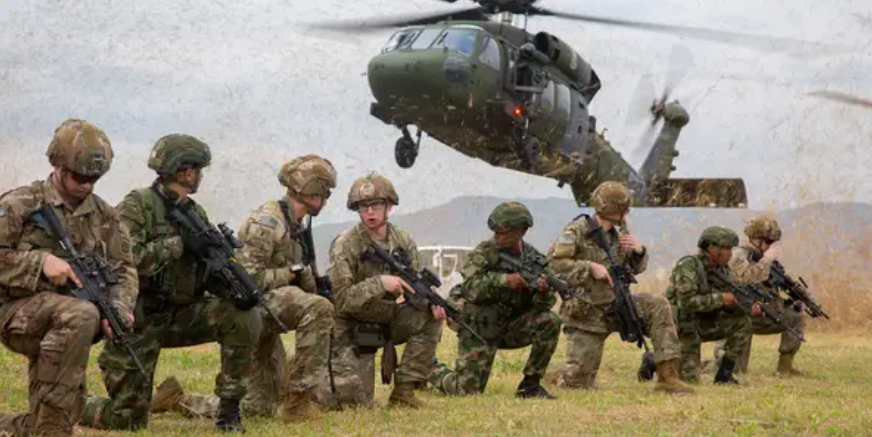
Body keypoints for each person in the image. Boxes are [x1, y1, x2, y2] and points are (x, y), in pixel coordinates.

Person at [79, 134, 262, 433]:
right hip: (139, 320)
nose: (201, 176)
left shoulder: (195, 212)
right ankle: (72, 404)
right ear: (186, 171)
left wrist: (226, 277)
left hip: (181, 314)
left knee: (243, 315)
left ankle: (228, 410)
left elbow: (202, 270)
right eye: (199, 170)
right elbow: (123, 259)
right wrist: (178, 244)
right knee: (127, 420)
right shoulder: (137, 205)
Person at [150, 154, 338, 422]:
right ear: (313, 189)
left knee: (256, 408)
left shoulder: (296, 225)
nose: (326, 197)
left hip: (266, 308)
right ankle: (298, 404)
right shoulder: (268, 221)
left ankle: (176, 399)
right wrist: (290, 274)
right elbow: (244, 278)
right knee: (319, 309)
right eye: (324, 190)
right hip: (252, 306)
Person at [0, 119, 137, 437]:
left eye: (95, 179)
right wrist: (39, 262)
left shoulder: (106, 216)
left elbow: (124, 269)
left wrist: (118, 308)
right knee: (80, 314)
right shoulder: (20, 204)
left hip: (68, 318)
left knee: (82, 316)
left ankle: (41, 426)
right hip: (11, 310)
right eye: (80, 177)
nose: (87, 186)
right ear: (57, 165)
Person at [546, 181, 692, 394]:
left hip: (618, 304)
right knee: (578, 383)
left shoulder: (618, 233)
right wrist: (588, 267)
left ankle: (667, 377)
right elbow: (553, 265)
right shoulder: (576, 231)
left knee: (658, 305)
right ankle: (557, 377)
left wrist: (638, 251)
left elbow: (634, 268)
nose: (628, 212)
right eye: (624, 208)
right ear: (613, 209)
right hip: (587, 312)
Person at [326, 172, 445, 408]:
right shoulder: (345, 244)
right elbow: (342, 300)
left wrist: (431, 305)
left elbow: (416, 287)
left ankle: (404, 393)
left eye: (376, 205)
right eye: (363, 207)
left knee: (430, 318)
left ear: (388, 205)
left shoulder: (403, 239)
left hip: (387, 315)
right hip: (351, 324)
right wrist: (380, 282)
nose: (369, 212)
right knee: (355, 405)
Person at [427, 201, 561, 399]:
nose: (495, 236)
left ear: (520, 232)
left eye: (502, 232)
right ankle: (427, 367)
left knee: (550, 320)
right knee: (466, 393)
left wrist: (541, 291)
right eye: (495, 231)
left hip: (510, 327)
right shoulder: (484, 253)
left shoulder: (535, 260)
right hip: (480, 326)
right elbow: (470, 288)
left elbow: (543, 306)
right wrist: (505, 281)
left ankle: (530, 386)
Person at [710, 216, 808, 376]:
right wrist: (766, 260)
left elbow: (767, 289)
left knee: (795, 316)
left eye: (773, 243)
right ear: (755, 239)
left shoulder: (762, 258)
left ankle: (785, 367)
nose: (771, 247)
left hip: (758, 312)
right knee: (734, 370)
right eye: (768, 242)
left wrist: (792, 301)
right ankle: (705, 365)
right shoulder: (738, 255)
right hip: (736, 314)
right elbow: (742, 278)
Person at [666, 226, 753, 385]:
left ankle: (724, 375)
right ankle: (651, 360)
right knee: (690, 381)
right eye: (726, 248)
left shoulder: (723, 270)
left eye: (731, 249)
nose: (730, 253)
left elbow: (728, 298)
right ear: (711, 248)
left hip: (703, 322)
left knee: (743, 321)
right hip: (682, 326)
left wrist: (741, 306)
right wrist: (720, 299)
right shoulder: (689, 265)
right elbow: (686, 303)